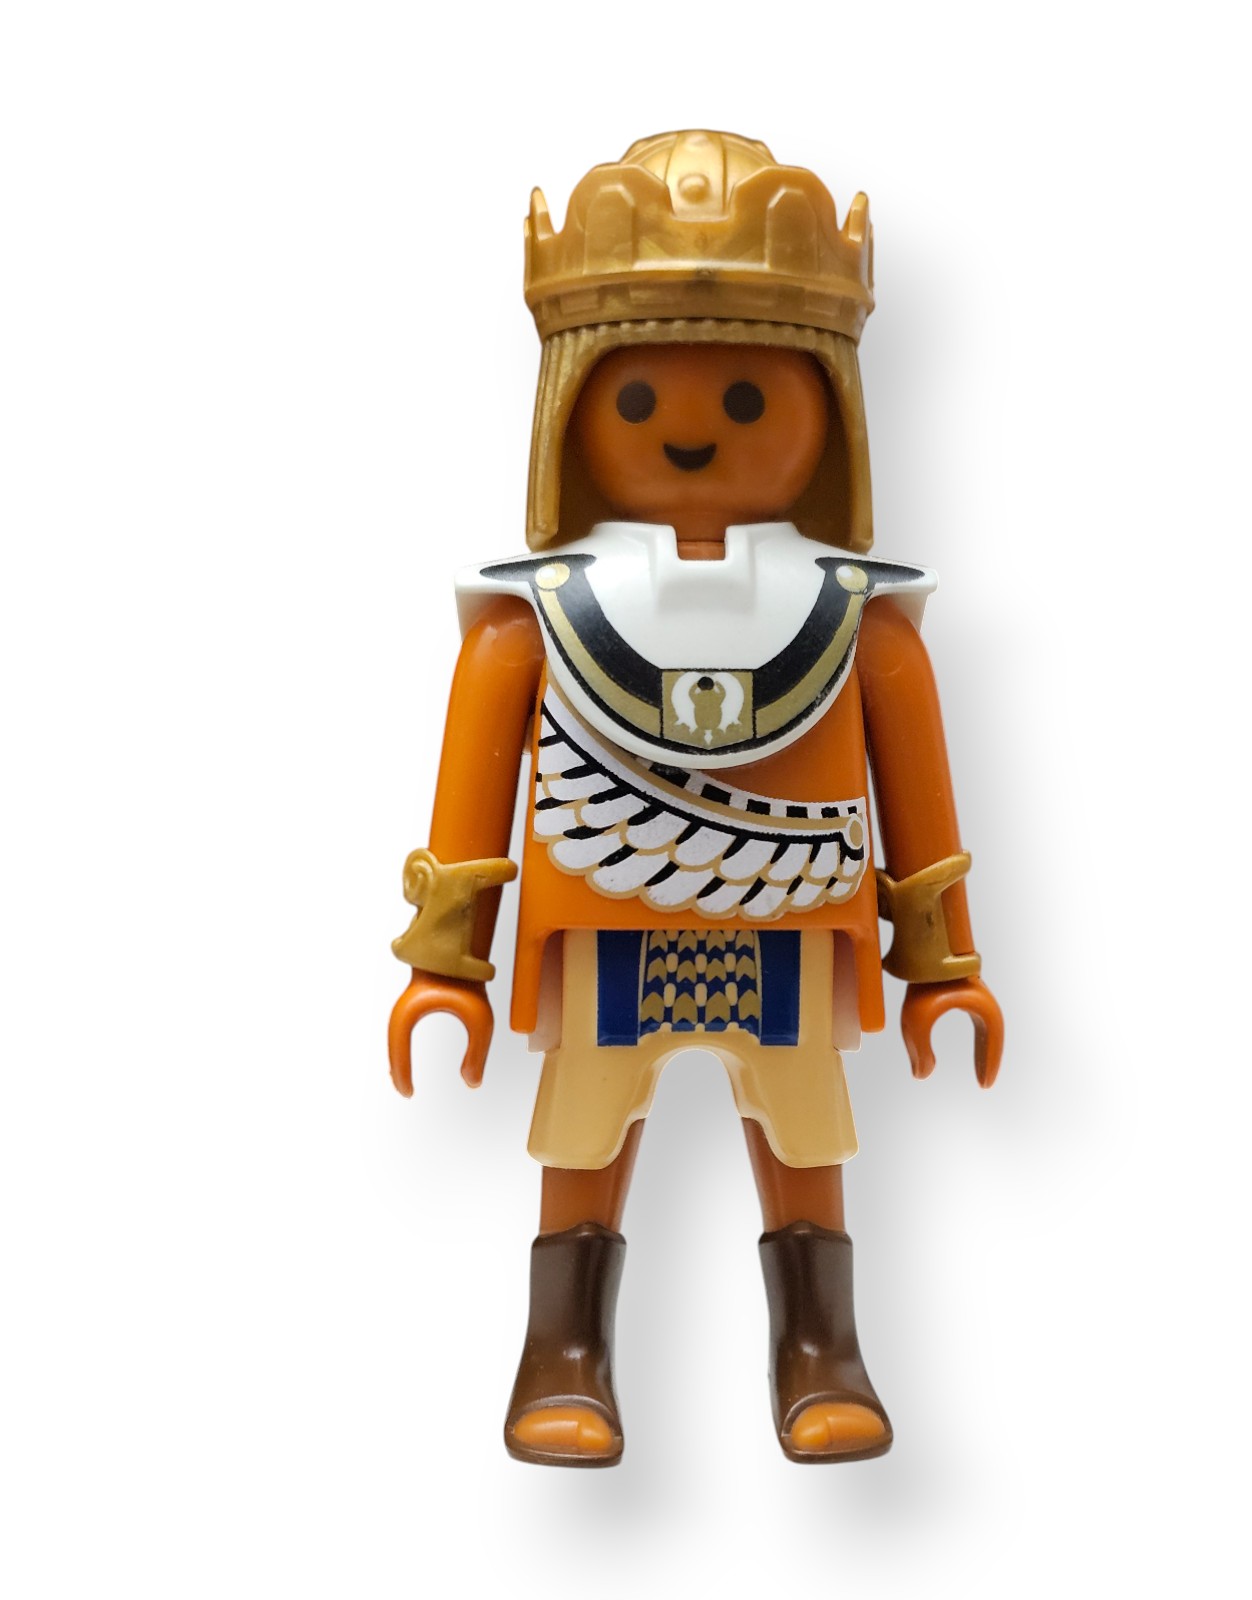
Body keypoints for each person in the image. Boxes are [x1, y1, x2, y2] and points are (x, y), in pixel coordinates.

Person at [388, 130, 1003, 1467]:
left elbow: (919, 797)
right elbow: (471, 796)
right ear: (572, 407)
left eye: (745, 397)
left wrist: (942, 967)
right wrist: (448, 965)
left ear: (825, 408)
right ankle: (562, 1351)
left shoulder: (863, 625)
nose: (689, 428)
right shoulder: (532, 620)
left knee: (805, 1126)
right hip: (604, 933)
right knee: (583, 1126)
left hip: (791, 933)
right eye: (638, 395)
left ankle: (820, 1347)